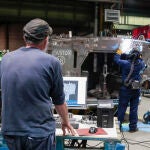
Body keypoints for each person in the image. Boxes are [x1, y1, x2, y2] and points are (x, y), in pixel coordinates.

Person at [0, 18, 76, 150]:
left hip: (10, 132)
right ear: (46, 40)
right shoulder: (52, 62)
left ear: (25, 39)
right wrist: (65, 122)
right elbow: (59, 101)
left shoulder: (6, 59)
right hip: (38, 134)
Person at [114, 46, 146, 133]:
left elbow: (116, 60)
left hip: (125, 90)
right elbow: (142, 61)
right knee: (134, 109)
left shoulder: (126, 63)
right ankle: (133, 127)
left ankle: (118, 127)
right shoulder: (141, 64)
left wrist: (119, 51)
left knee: (122, 108)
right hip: (136, 90)